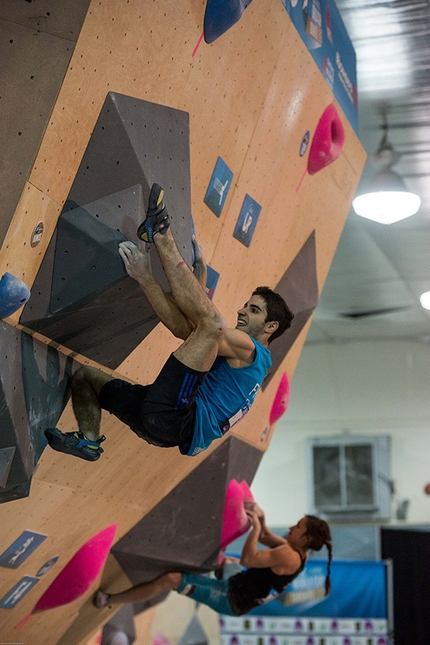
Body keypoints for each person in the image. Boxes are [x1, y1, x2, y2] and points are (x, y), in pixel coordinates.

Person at [45, 184, 294, 461]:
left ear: (270, 327)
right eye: (246, 305)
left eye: (254, 310)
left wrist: (147, 277)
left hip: (177, 418)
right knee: (85, 378)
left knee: (214, 325)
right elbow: (191, 332)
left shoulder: (252, 351)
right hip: (159, 423)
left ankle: (160, 233)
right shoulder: (251, 369)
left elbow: (203, 327)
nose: (241, 311)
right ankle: (89, 442)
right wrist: (195, 272)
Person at [93, 502, 332, 616]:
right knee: (226, 560)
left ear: (307, 538)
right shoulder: (299, 553)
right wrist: (262, 517)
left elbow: (249, 559)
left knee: (170, 579)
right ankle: (203, 571)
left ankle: (109, 599)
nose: (291, 527)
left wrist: (254, 527)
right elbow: (268, 536)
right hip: (237, 581)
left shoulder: (288, 555)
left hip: (230, 598)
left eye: (298, 527)